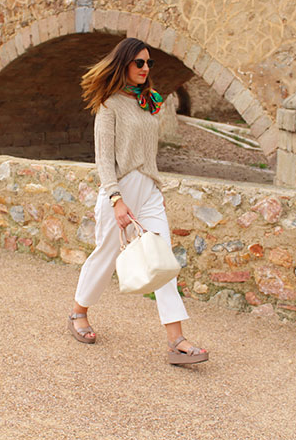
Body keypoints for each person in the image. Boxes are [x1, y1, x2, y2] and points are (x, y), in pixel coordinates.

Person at [67, 37, 209, 365]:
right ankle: (78, 312)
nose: (146, 68)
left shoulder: (147, 102)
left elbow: (148, 150)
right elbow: (104, 159)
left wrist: (152, 189)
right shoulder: (109, 105)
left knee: (163, 259)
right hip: (120, 189)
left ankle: (176, 340)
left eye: (149, 63)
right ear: (124, 64)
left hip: (149, 190)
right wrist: (116, 199)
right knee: (106, 255)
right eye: (139, 63)